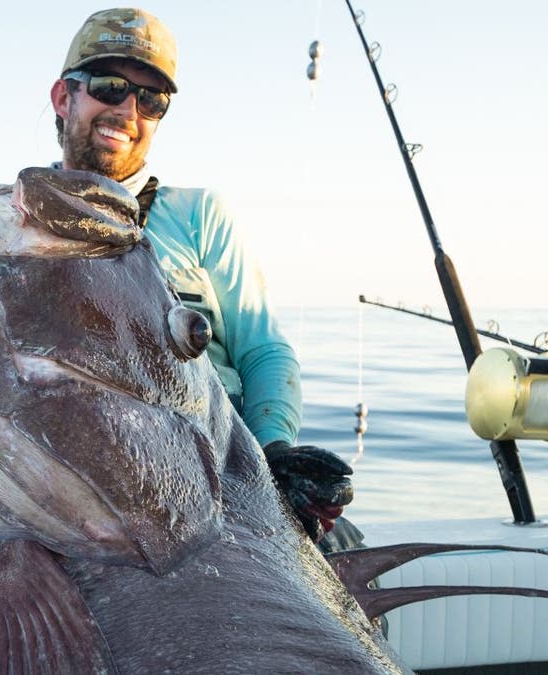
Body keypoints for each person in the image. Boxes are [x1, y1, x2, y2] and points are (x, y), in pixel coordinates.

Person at [50, 8, 356, 546]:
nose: (127, 110)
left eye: (151, 100)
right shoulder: (17, 220)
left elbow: (263, 350)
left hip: (221, 481)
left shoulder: (200, 215)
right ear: (63, 97)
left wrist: (274, 452)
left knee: (343, 556)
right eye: (110, 86)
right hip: (73, 491)